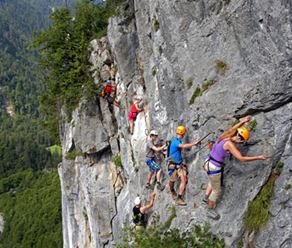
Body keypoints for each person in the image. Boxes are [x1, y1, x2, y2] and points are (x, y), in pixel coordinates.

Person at [203, 116, 267, 220]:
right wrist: (259, 157)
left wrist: (242, 122)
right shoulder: (229, 144)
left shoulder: (224, 137)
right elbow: (241, 158)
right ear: (240, 139)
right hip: (214, 167)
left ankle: (206, 197)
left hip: (208, 162)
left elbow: (232, 130)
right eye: (243, 141)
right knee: (216, 190)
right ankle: (209, 209)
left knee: (213, 180)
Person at [168, 125, 201, 206]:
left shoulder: (177, 141)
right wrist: (194, 143)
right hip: (173, 165)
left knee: (183, 180)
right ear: (183, 134)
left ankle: (179, 197)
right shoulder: (176, 142)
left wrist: (194, 145)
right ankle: (172, 190)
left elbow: (182, 146)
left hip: (179, 164)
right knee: (172, 180)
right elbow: (183, 146)